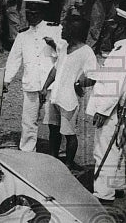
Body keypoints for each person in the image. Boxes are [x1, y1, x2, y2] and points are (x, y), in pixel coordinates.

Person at [84, 10, 126, 202]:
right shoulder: (123, 49)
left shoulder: (123, 51)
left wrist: (102, 110)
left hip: (113, 109)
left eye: (111, 24)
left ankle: (103, 194)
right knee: (116, 148)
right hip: (120, 109)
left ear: (121, 27)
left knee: (104, 150)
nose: (108, 27)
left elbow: (114, 85)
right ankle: (117, 186)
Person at [3, 0, 63, 151]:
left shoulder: (55, 29)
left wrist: (54, 45)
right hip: (31, 82)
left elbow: (66, 54)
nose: (31, 16)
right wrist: (6, 80)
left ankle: (55, 152)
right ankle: (28, 151)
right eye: (29, 13)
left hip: (51, 83)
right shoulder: (23, 35)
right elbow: (14, 58)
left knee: (53, 121)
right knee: (28, 120)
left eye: (35, 13)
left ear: (42, 13)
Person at [41, 16, 96, 168]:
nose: (62, 31)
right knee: (53, 129)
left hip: (69, 100)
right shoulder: (64, 47)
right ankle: (53, 160)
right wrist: (45, 87)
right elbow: (55, 69)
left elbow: (92, 76)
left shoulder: (87, 52)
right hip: (55, 96)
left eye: (65, 28)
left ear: (74, 31)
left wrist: (78, 83)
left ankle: (69, 165)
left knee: (69, 133)